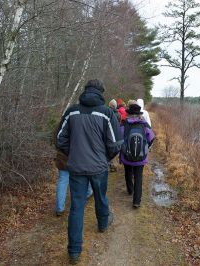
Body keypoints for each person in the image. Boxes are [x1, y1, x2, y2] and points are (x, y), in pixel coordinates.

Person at [56, 79, 123, 264]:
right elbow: (116, 144)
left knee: (76, 207)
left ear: (85, 91)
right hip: (98, 168)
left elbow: (60, 139)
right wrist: (105, 158)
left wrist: (74, 154)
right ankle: (103, 223)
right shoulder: (107, 113)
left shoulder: (72, 111)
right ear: (101, 92)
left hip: (77, 167)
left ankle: (74, 251)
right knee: (100, 197)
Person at [120, 104, 155, 208]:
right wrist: (145, 147)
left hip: (126, 155)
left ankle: (130, 190)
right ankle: (136, 201)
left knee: (128, 172)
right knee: (138, 177)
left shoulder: (124, 124)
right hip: (141, 157)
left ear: (129, 114)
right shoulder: (144, 125)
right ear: (139, 114)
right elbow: (151, 138)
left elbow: (118, 137)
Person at [54, 149, 93, 217]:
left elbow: (58, 143)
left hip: (63, 157)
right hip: (77, 158)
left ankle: (59, 208)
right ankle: (88, 193)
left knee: (62, 182)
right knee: (84, 175)